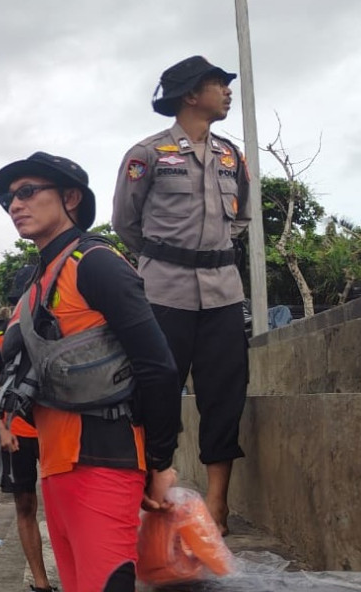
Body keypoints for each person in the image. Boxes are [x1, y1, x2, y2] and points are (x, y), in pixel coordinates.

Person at [0, 151, 181, 592]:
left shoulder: (97, 263)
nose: (15, 204)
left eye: (28, 191)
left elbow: (157, 365)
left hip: (106, 460)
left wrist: (161, 462)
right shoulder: (36, 280)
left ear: (71, 197)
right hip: (57, 467)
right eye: (9, 198)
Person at [112, 56, 250, 535]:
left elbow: (242, 216)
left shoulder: (232, 155)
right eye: (218, 84)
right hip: (164, 291)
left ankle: (218, 505)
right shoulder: (146, 155)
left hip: (224, 292)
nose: (227, 91)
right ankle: (158, 493)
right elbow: (125, 224)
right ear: (192, 95)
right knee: (159, 395)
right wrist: (168, 258)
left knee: (225, 393)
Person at [0, 265, 55, 592]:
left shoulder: (60, 324)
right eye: (16, 301)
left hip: (60, 427)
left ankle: (81, 577)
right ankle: (42, 585)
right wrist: (1, 428)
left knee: (63, 506)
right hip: (18, 430)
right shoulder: (3, 337)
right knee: (25, 505)